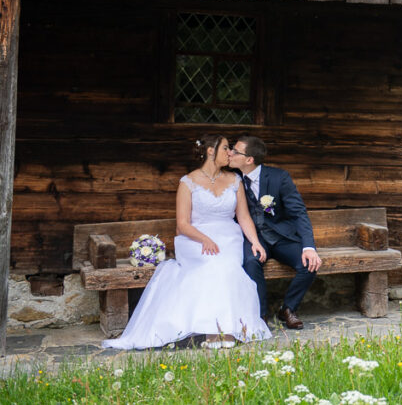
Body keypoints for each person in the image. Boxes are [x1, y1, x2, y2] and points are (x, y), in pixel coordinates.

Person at [102, 135, 272, 350]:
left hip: (229, 238)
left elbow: (244, 217)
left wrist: (255, 242)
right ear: (211, 151)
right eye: (226, 148)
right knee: (212, 264)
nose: (230, 153)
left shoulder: (234, 180)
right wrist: (205, 239)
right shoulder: (188, 182)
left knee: (227, 267)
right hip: (194, 238)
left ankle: (227, 330)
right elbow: (182, 224)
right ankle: (213, 332)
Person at [229, 135, 322, 329]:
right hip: (252, 237)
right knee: (251, 261)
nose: (230, 153)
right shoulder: (231, 180)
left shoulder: (279, 177)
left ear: (249, 160)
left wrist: (309, 246)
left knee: (309, 264)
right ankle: (260, 315)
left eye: (235, 151)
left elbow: (298, 212)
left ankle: (287, 309)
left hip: (281, 236)